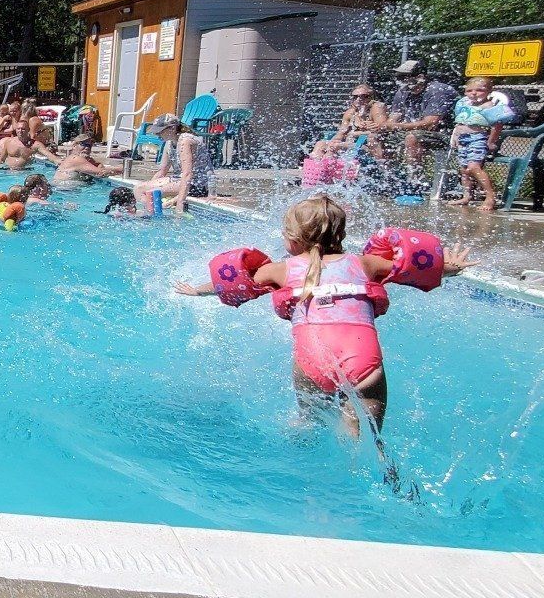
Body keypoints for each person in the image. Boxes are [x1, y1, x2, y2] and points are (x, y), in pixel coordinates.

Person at [176, 193, 473, 437]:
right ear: (341, 234)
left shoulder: (281, 270)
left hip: (312, 360)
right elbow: (412, 269)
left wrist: (197, 291)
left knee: (308, 425)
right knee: (365, 442)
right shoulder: (365, 263)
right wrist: (452, 268)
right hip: (363, 357)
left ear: (292, 240)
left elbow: (234, 283)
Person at [449, 77, 513, 211]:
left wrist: (491, 141)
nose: (474, 93)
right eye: (469, 90)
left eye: (479, 90)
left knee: (474, 167)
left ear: (489, 91)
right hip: (462, 139)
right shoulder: (464, 105)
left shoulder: (489, 106)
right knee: (464, 170)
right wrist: (455, 136)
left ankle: (490, 197)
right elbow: (459, 124)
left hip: (477, 138)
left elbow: (497, 125)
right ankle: (467, 196)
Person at [386, 59, 459, 175]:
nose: (400, 80)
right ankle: (388, 176)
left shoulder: (438, 90)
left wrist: (397, 126)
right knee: (375, 137)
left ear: (420, 77)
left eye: (404, 77)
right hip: (413, 131)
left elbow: (430, 123)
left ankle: (414, 179)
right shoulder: (402, 92)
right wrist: (385, 126)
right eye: (399, 77)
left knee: (412, 137)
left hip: (445, 134)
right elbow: (393, 118)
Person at [133, 115, 212, 213]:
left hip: (197, 184)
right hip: (178, 180)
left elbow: (188, 174)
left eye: (160, 131)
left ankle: (155, 216)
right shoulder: (169, 142)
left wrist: (180, 202)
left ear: (172, 128)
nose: (157, 134)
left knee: (153, 193)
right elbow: (162, 172)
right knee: (138, 189)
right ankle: (151, 212)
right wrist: (149, 188)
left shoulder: (185, 141)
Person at [311, 84, 389, 162]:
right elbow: (341, 134)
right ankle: (316, 166)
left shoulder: (376, 109)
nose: (359, 99)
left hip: (368, 148)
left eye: (364, 96)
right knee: (320, 144)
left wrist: (354, 134)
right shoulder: (350, 113)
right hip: (351, 144)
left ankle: (327, 166)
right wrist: (331, 143)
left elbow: (380, 131)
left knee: (336, 147)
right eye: (355, 97)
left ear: (371, 97)